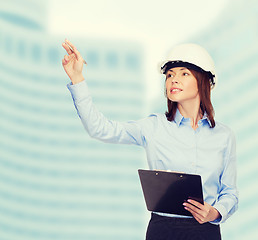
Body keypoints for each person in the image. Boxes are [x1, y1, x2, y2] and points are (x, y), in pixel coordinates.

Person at [62, 39, 238, 240]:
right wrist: (77, 78)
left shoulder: (224, 136)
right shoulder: (153, 127)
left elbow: (230, 192)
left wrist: (215, 213)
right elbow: (99, 129)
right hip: (163, 229)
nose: (173, 79)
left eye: (184, 73)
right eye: (170, 75)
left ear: (203, 81)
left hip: (205, 231)